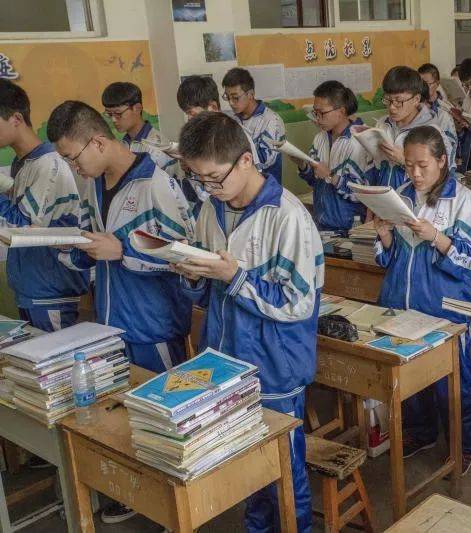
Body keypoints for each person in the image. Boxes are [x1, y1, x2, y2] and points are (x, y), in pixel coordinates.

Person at [175, 112, 323, 533]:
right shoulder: (212, 209)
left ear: (245, 160)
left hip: (275, 366)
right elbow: (210, 295)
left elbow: (297, 304)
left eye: (214, 178)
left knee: (282, 472)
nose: (208, 188)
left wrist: (235, 276)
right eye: (199, 178)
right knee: (245, 468)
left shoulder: (287, 217)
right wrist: (193, 277)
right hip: (226, 359)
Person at [48, 101, 194, 525]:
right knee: (132, 417)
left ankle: (180, 509)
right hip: (114, 321)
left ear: (97, 142)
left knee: (168, 420)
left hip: (155, 324)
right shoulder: (93, 184)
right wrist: (78, 248)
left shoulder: (156, 184)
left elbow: (183, 256)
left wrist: (123, 250)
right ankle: (144, 495)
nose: (73, 167)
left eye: (73, 157)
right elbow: (96, 246)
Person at [373, 125, 471, 473]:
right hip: (401, 302)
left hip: (443, 306)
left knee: (450, 385)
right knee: (410, 381)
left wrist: (436, 237)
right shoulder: (401, 195)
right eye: (408, 165)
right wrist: (384, 236)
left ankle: (461, 445)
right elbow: (388, 258)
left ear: (442, 160)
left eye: (423, 165)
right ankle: (421, 433)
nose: (415, 174)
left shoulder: (461, 200)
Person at [0, 80, 88, 331]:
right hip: (32, 289)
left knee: (54, 356)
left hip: (50, 293)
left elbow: (22, 229)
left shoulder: (48, 164)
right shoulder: (25, 163)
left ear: (16, 118)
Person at [176, 75, 264, 218]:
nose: (190, 120)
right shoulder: (200, 136)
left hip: (238, 211)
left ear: (213, 107)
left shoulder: (235, 134)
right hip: (210, 208)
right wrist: (190, 168)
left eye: (192, 114)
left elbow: (253, 177)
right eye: (187, 115)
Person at [293, 80, 369, 232]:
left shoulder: (359, 141)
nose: (317, 118)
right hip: (323, 224)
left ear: (341, 112)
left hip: (350, 227)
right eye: (315, 112)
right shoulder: (320, 138)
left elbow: (362, 194)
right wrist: (302, 165)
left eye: (322, 113)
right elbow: (314, 181)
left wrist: (331, 176)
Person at [372, 66, 455, 189]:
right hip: (383, 197)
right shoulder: (382, 124)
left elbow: (446, 177)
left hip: (414, 199)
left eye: (398, 101)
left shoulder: (432, 133)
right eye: (388, 100)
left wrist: (404, 161)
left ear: (416, 99)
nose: (392, 107)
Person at [222, 67, 286, 183]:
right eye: (227, 97)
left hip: (265, 187)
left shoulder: (271, 121)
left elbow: (263, 160)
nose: (230, 103)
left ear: (251, 94)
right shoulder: (233, 119)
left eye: (235, 98)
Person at [101, 82, 177, 175]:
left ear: (137, 108)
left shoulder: (158, 148)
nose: (113, 119)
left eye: (118, 113)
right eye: (109, 114)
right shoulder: (123, 144)